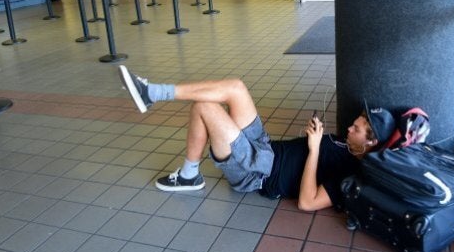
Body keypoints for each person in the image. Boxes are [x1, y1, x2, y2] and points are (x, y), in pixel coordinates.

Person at [117, 65, 395, 211]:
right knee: (236, 87)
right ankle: (152, 92)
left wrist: (313, 149)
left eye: (356, 129)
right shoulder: (345, 145)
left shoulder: (349, 174)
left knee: (204, 107)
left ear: (370, 143)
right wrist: (316, 136)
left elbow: (308, 203)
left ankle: (189, 175)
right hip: (264, 147)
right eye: (354, 124)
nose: (349, 128)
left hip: (257, 173)